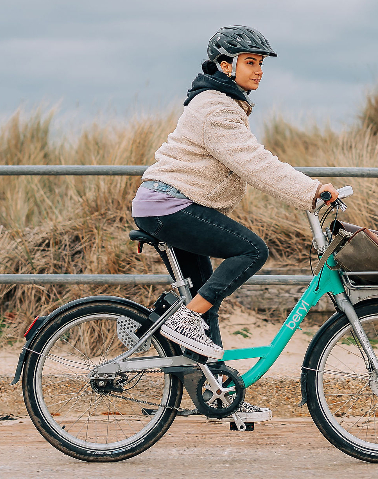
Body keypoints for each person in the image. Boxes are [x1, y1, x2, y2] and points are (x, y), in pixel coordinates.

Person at [132, 25, 337, 419]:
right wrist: (310, 192)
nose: (258, 71)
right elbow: (255, 164)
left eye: (260, 64)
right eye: (250, 63)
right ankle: (183, 318)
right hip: (169, 205)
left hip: (167, 205)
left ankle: (218, 393)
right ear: (226, 65)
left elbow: (250, 161)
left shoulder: (222, 103)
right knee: (251, 250)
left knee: (204, 295)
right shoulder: (216, 109)